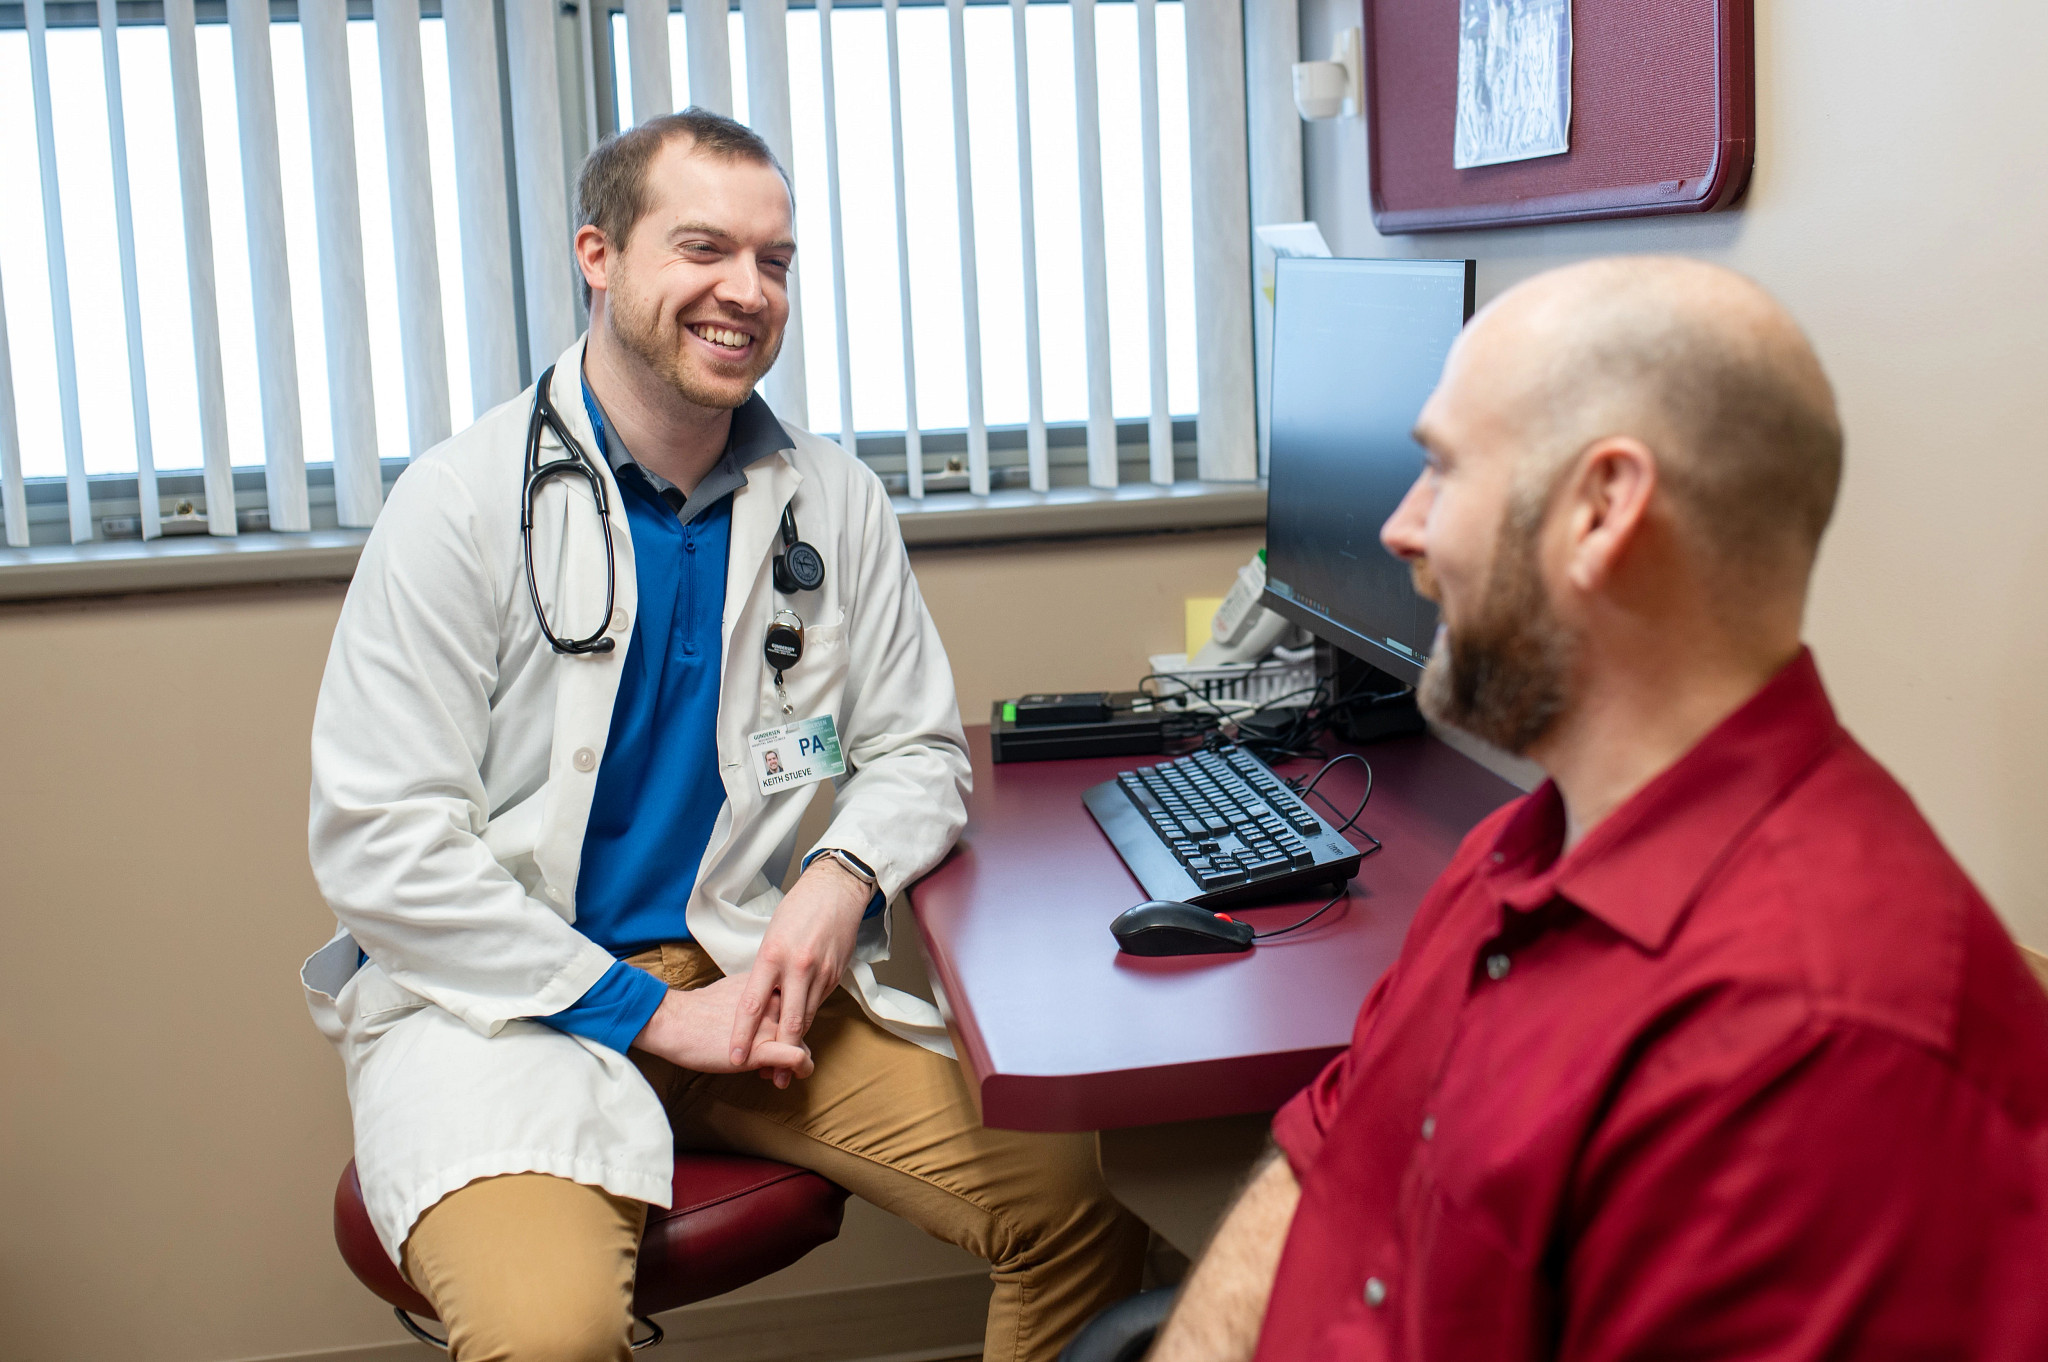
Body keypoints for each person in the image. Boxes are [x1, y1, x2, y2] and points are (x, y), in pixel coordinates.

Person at [300, 109, 1144, 1362]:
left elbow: (917, 753)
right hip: (511, 1005)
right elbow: (382, 846)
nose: (745, 293)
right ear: (598, 255)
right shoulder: (459, 506)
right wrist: (642, 1012)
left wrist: (835, 876)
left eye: (775, 260)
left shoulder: (832, 498)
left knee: (1080, 1204)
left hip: (747, 978)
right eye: (703, 249)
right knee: (547, 1339)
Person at [1147, 257, 2048, 1361]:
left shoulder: (1826, 1043)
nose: (1399, 527)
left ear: (1600, 509)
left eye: (1440, 469)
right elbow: (1330, 1160)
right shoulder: (1514, 853)